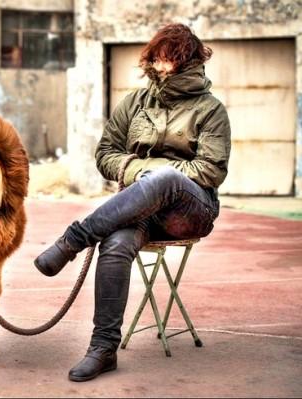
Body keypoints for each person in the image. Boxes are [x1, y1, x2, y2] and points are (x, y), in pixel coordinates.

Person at [34, 23, 231, 382]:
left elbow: (211, 171)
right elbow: (105, 154)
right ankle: (103, 348)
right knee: (116, 243)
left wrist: (153, 172)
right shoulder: (135, 103)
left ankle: (73, 240)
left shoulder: (210, 109)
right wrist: (137, 170)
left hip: (191, 210)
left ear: (188, 61)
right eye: (155, 56)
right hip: (140, 209)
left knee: (167, 179)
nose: (159, 65)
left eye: (169, 58)